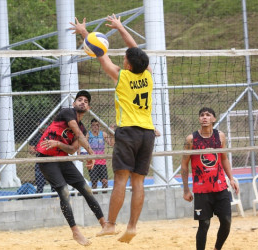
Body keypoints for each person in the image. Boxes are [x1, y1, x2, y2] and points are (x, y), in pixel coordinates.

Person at [70, 14, 156, 243]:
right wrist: (120, 27)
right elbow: (137, 50)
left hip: (128, 132)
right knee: (138, 182)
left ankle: (109, 224)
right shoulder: (147, 76)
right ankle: (133, 226)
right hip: (147, 132)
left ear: (127, 64)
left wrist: (85, 34)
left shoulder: (121, 77)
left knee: (120, 179)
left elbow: (100, 53)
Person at [35, 90, 105, 246]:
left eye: (86, 101)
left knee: (86, 189)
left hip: (62, 158)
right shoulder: (67, 112)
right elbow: (78, 134)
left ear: (88, 108)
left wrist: (59, 144)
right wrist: (91, 153)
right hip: (46, 158)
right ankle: (76, 232)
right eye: (79, 100)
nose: (82, 102)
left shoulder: (84, 129)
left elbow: (73, 149)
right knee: (64, 192)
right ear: (74, 104)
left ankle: (104, 224)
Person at [181, 107, 239, 250]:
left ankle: (217, 248)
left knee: (226, 222)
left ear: (213, 119)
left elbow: (224, 158)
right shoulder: (191, 139)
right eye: (202, 115)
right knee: (204, 225)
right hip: (202, 190)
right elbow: (184, 165)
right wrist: (186, 190)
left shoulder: (220, 136)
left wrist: (231, 178)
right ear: (199, 119)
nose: (204, 117)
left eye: (208, 115)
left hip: (220, 187)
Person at [83, 118, 115, 192]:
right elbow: (82, 144)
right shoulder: (88, 134)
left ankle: (105, 196)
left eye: (97, 125)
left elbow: (111, 144)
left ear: (99, 126)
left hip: (102, 162)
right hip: (92, 162)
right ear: (91, 126)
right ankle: (95, 200)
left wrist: (111, 133)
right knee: (94, 183)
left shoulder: (103, 134)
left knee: (105, 182)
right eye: (93, 125)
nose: (95, 127)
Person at [29, 119, 55, 194]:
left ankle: (54, 197)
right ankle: (39, 196)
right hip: (40, 161)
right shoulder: (35, 135)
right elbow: (31, 150)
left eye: (46, 126)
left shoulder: (51, 135)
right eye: (42, 126)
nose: (44, 128)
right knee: (40, 183)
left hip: (51, 161)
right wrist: (41, 149)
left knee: (54, 182)